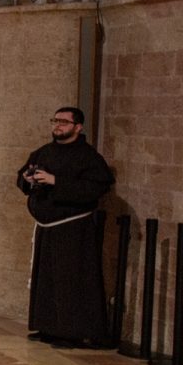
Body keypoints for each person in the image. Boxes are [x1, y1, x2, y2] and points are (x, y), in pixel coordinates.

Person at [17, 107, 115, 349]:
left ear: (78, 127)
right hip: (46, 226)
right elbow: (22, 175)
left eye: (63, 121)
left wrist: (56, 181)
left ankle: (72, 333)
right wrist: (26, 179)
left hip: (72, 227)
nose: (57, 125)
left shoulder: (89, 157)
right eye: (55, 120)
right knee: (46, 279)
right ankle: (47, 327)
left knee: (70, 280)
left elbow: (96, 188)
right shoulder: (44, 151)